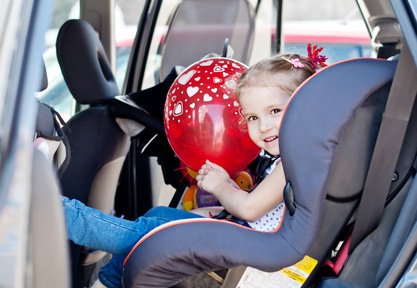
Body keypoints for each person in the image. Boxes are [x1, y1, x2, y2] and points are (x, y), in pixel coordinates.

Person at [63, 51, 322, 288]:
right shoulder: (296, 159)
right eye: (252, 117)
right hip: (245, 237)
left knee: (141, 234)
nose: (263, 126)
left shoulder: (295, 161)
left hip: (248, 246)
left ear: (304, 108)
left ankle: (62, 212)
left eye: (274, 111)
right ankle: (108, 281)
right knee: (157, 217)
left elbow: (249, 208)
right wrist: (228, 190)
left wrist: (221, 187)